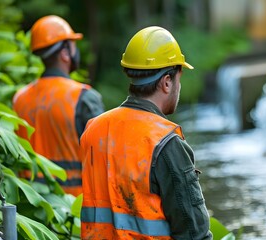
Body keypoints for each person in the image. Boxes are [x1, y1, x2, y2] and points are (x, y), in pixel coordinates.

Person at [79, 26, 213, 239]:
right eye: (179, 77)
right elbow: (193, 232)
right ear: (167, 82)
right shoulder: (166, 142)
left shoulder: (93, 130)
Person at [13, 15, 104, 196]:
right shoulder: (84, 97)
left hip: (31, 209)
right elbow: (103, 160)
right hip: (75, 210)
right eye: (72, 45)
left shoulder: (19, 98)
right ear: (64, 53)